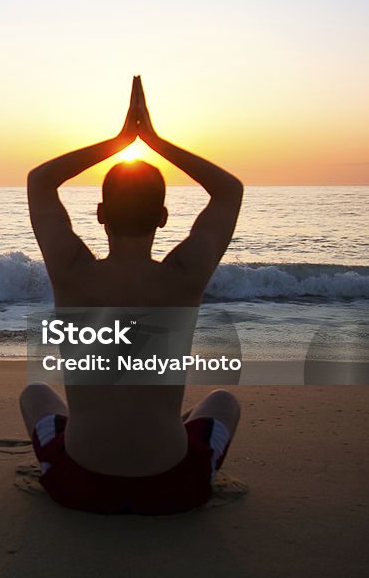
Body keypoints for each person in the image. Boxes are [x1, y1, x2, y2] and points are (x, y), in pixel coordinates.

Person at [21, 75, 243, 514]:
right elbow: (229, 190)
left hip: (80, 486)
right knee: (223, 402)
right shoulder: (184, 276)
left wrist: (119, 140)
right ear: (163, 216)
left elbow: (40, 181)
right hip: (173, 487)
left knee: (35, 396)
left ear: (100, 214)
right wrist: (154, 141)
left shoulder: (72, 273)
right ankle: (166, 433)